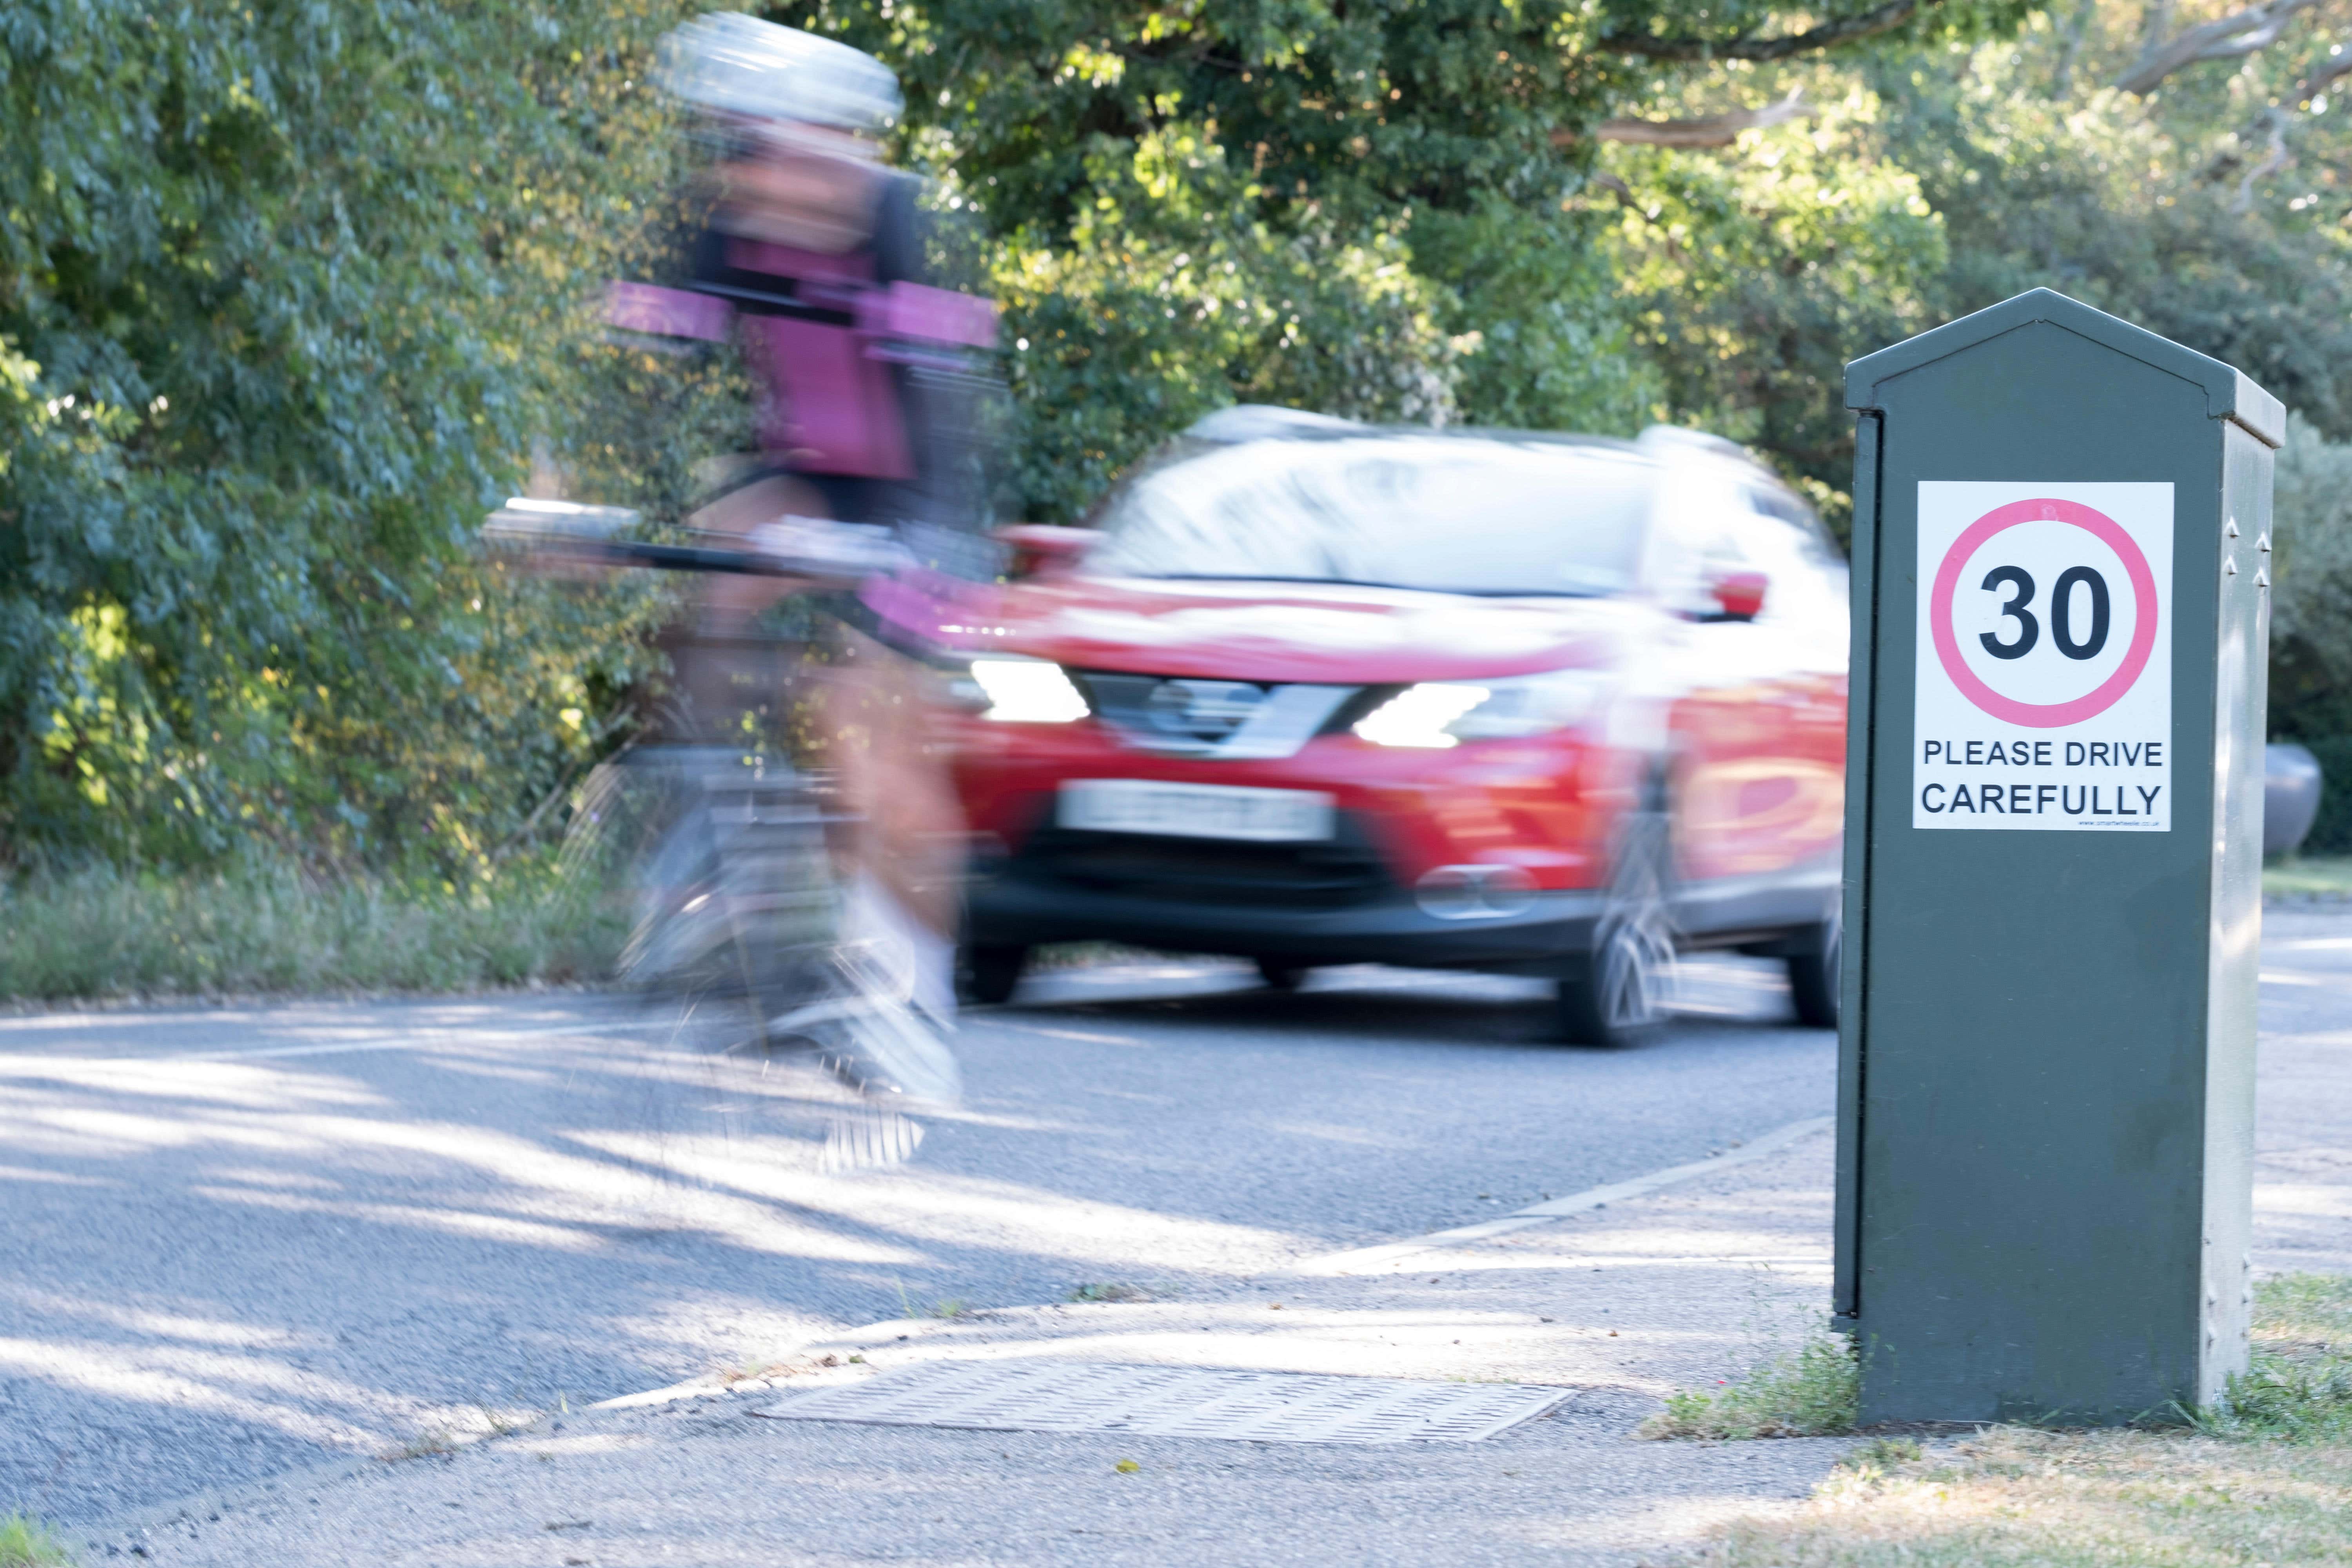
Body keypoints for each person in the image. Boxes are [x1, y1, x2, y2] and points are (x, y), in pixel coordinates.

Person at [589, 13, 1005, 1113]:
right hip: (811, 478)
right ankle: (704, 814)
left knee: (870, 740)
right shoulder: (717, 222)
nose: (756, 181)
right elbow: (637, 378)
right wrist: (581, 507)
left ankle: (907, 997)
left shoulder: (905, 224)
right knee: (718, 553)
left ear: (842, 146)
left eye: (778, 154)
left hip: (925, 501)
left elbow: (949, 421)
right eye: (736, 153)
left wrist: (899, 562)